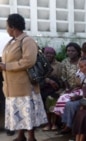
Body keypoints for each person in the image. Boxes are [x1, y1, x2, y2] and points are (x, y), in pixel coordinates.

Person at [0, 13, 47, 141]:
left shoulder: (27, 41)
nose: (6, 29)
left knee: (27, 112)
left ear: (13, 27)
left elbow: (28, 61)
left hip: (25, 86)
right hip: (12, 86)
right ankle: (21, 136)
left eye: (7, 26)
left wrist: (7, 66)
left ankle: (31, 137)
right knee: (19, 112)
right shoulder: (11, 42)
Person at [58, 57, 86, 135]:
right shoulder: (85, 75)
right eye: (81, 67)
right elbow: (83, 87)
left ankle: (69, 126)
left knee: (71, 104)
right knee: (67, 101)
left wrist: (79, 97)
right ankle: (67, 125)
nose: (84, 68)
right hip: (84, 96)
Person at [53, 42, 82, 116]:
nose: (70, 52)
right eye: (68, 51)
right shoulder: (65, 62)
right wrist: (67, 87)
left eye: (73, 51)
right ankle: (60, 121)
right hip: (68, 88)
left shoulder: (82, 61)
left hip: (81, 88)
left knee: (68, 100)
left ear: (78, 52)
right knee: (58, 98)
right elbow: (63, 77)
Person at [41, 47, 63, 131]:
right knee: (45, 99)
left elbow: (61, 78)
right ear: (44, 54)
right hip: (43, 88)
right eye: (47, 53)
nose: (49, 55)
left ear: (54, 55)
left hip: (55, 88)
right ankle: (48, 123)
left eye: (51, 53)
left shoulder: (59, 65)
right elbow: (39, 77)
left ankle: (54, 123)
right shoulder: (40, 64)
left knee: (52, 99)